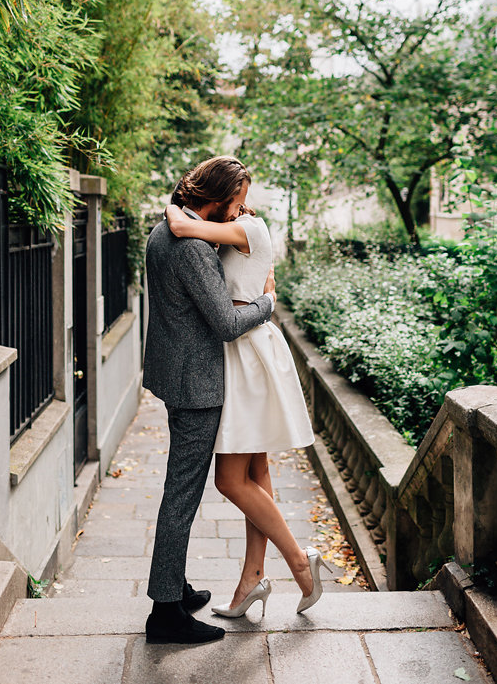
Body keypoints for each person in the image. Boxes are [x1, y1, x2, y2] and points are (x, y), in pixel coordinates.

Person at [165, 193, 330, 620]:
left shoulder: (249, 229)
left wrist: (172, 207)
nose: (239, 203)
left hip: (248, 351)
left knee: (229, 481)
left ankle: (298, 561)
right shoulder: (231, 231)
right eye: (235, 197)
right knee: (257, 473)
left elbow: (182, 225)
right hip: (236, 352)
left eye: (240, 197)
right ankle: (251, 580)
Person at [142, 156, 276, 646]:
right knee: (182, 495)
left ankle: (173, 587)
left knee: (180, 490)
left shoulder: (165, 230)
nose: (240, 213)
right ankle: (165, 614)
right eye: (236, 204)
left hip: (175, 373)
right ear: (217, 199)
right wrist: (266, 304)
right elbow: (225, 323)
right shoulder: (192, 248)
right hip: (196, 386)